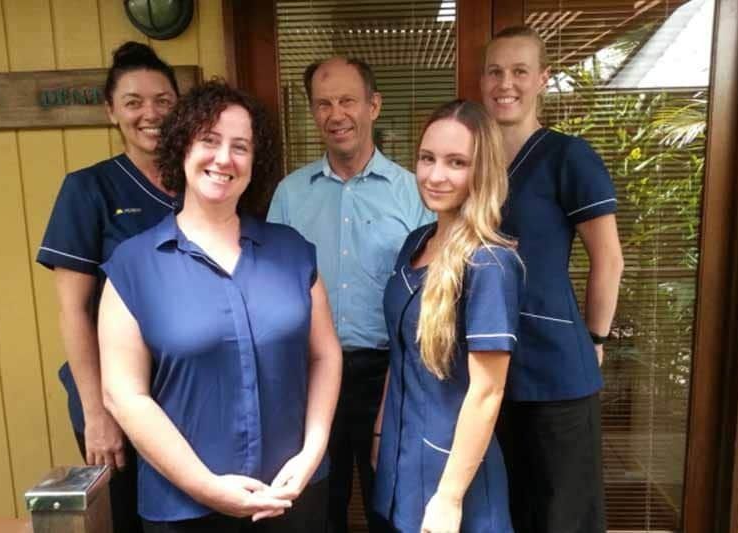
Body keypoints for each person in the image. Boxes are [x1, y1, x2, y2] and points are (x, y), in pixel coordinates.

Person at [97, 80, 342, 533]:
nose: (224, 158)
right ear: (182, 147)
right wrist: (205, 486)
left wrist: (312, 451)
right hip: (185, 508)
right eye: (209, 140)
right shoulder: (132, 266)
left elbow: (325, 354)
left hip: (292, 496)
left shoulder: (292, 252)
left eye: (241, 146)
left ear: (256, 161)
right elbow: (123, 394)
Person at [267, 57, 433, 532]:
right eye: (323, 104)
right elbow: (276, 290)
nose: (336, 114)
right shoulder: (289, 195)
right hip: (311, 377)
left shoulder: (412, 194)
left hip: (390, 376)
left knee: (392, 508)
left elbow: (428, 297)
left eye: (347, 101)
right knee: (318, 510)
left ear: (373, 106)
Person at [481, 26, 624, 533]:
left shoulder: (568, 156)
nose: (506, 83)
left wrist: (596, 338)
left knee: (562, 514)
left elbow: (608, 258)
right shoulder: (475, 165)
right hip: (487, 371)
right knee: (504, 511)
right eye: (495, 71)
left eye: (520, 71)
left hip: (556, 372)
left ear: (542, 78)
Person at [36, 41, 180, 533]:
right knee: (127, 517)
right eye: (134, 102)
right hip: (115, 391)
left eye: (163, 100)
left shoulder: (203, 184)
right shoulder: (89, 189)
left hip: (183, 387)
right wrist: (97, 412)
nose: (151, 113)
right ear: (111, 111)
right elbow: (73, 310)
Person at [372, 99, 521, 533]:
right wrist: (381, 432)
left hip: (452, 481)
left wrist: (450, 497)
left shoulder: (490, 264)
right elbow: (400, 351)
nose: (436, 175)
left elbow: (488, 391)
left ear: (483, 171)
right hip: (400, 464)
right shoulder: (416, 243)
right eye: (427, 158)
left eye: (457, 162)